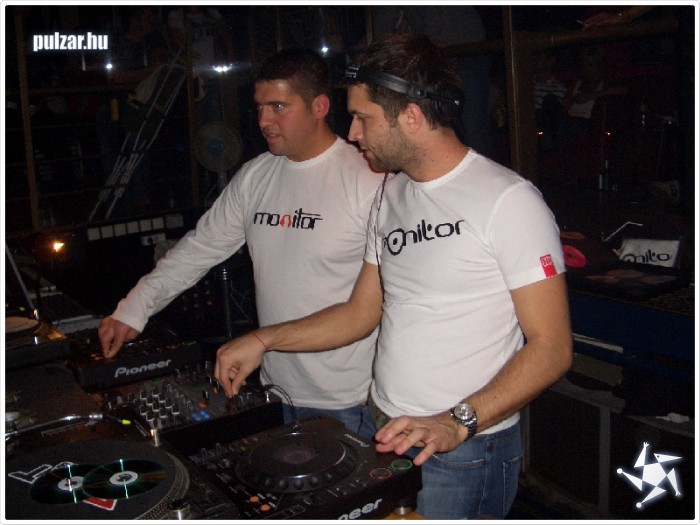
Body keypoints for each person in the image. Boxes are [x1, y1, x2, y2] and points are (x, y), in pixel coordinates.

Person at [214, 33, 573, 520]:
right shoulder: (391, 193)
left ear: (411, 116)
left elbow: (552, 347)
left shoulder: (508, 201)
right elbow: (360, 313)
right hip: (382, 431)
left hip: (461, 451)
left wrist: (456, 423)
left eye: (363, 118)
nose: (352, 133)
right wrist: (263, 339)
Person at [98, 47, 384, 439]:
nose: (264, 120)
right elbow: (201, 248)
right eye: (260, 107)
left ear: (319, 106)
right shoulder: (255, 175)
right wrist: (134, 308)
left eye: (278, 106)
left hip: (348, 398)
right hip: (273, 388)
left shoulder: (366, 180)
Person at [371, 6, 496, 160]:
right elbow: (384, 32)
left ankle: (477, 171)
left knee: (473, 128)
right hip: (424, 64)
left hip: (463, 55)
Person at [167, 6, 235, 128]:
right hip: (191, 78)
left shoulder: (212, 13)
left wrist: (229, 60)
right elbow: (177, 44)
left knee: (215, 118)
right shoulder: (176, 15)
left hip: (214, 75)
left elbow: (226, 38)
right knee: (196, 120)